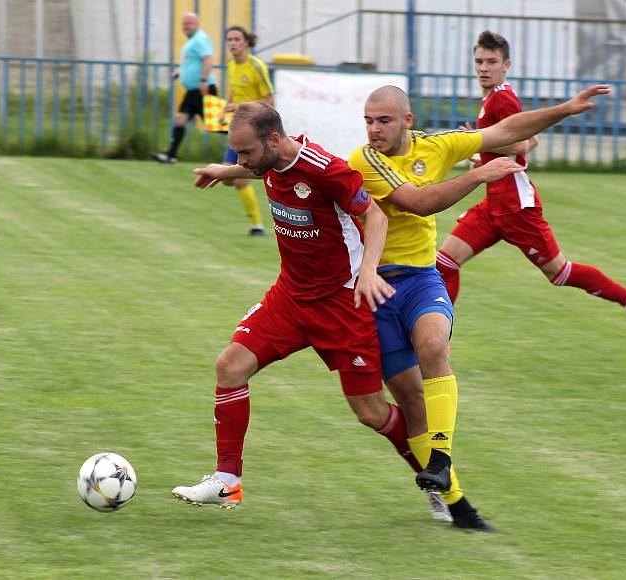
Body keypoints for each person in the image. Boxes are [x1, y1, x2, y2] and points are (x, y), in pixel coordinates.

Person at [347, 82, 611, 530]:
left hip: (420, 278)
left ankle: (442, 459)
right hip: (376, 290)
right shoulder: (365, 160)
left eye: (384, 120)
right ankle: (454, 500)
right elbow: (415, 202)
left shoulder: (438, 145)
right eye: (369, 120)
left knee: (434, 345)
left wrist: (564, 109)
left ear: (407, 121)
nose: (374, 129)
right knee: (410, 401)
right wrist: (475, 177)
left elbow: (505, 129)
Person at [172, 102, 438, 518]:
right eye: (235, 153)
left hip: (341, 305)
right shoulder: (268, 161)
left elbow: (376, 215)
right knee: (229, 367)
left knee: (370, 412)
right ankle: (228, 480)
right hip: (290, 298)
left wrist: (369, 270)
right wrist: (227, 171)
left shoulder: (326, 169)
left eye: (244, 153)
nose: (240, 160)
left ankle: (435, 478)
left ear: (274, 140)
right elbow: (260, 166)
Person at [436, 31, 626, 343]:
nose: (483, 67)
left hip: (517, 208)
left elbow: (520, 144)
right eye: (479, 61)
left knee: (560, 273)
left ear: (506, 65)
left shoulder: (502, 98)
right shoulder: (493, 98)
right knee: (444, 262)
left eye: (491, 61)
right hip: (494, 204)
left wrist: (470, 146)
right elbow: (530, 139)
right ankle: (437, 343)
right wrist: (479, 149)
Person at [219, 25, 275, 236]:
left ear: (246, 42)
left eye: (236, 39)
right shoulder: (231, 66)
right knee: (229, 178)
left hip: (256, 132)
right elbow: (234, 93)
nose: (232, 43)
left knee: (232, 175)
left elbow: (270, 100)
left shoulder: (256, 66)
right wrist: (227, 107)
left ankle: (258, 225)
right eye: (229, 39)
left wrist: (243, 106)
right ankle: (258, 225)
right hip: (239, 130)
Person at [151, 12, 217, 164]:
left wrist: (203, 80)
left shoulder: (201, 39)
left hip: (203, 89)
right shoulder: (192, 41)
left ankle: (250, 145)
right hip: (192, 91)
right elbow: (190, 63)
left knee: (219, 125)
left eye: (189, 23)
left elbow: (208, 59)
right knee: (180, 119)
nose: (186, 26)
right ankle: (171, 155)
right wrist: (179, 72)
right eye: (184, 24)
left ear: (197, 24)